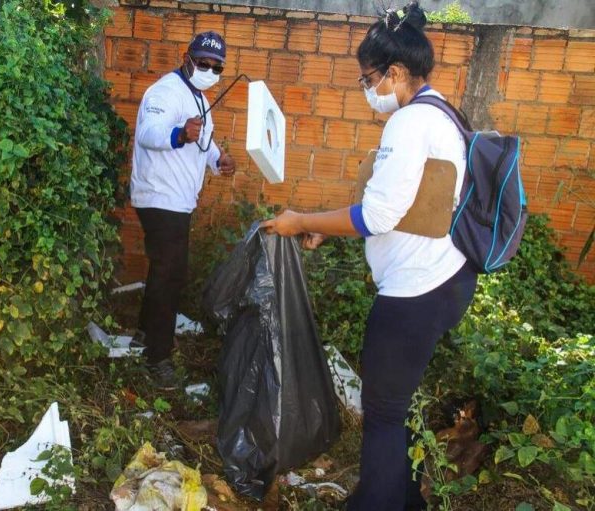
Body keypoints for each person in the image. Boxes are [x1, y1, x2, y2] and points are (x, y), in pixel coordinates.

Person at [261, 3, 477, 510]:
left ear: (396, 72)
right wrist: (331, 232)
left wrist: (302, 221)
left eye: (368, 78)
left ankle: (376, 503)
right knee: (394, 405)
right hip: (445, 280)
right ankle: (404, 498)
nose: (366, 90)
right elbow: (409, 207)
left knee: (382, 411)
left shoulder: (409, 123)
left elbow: (378, 216)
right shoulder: (444, 111)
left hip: (414, 292)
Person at [130, 31, 236, 388]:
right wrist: (178, 134)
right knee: (172, 274)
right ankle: (157, 359)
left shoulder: (200, 98)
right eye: (202, 62)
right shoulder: (165, 91)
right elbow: (148, 132)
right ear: (187, 57)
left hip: (177, 200)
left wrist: (219, 159)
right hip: (159, 196)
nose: (208, 69)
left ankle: (145, 335)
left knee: (165, 271)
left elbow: (202, 142)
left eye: (215, 66)